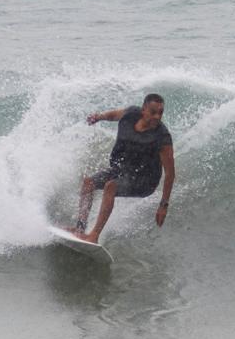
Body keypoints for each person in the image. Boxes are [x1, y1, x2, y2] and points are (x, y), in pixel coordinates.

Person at [71, 93, 175, 243]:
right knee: (88, 183)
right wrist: (99, 117)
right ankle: (79, 229)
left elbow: (170, 174)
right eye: (153, 112)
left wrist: (163, 205)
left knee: (110, 186)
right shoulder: (131, 114)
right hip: (123, 170)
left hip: (145, 181)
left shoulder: (162, 137)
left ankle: (94, 235)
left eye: (160, 113)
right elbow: (114, 115)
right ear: (143, 109)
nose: (157, 117)